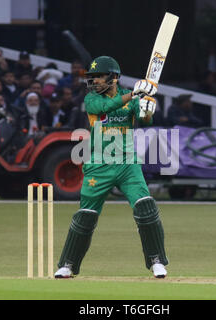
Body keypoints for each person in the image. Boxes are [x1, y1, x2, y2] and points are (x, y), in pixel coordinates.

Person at [54, 56, 168, 279]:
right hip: (98, 164)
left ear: (113, 77)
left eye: (98, 76)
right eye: (92, 77)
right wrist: (134, 94)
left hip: (127, 163)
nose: (94, 81)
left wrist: (147, 107)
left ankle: (156, 261)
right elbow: (107, 106)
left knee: (145, 206)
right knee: (86, 215)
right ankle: (68, 264)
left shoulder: (133, 98)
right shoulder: (91, 100)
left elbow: (145, 122)